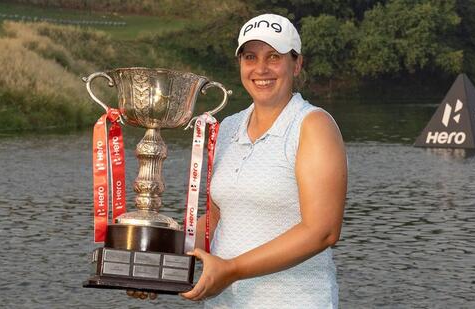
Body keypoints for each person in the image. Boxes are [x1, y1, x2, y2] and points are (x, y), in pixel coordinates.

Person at [128, 13, 347, 308]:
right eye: (250, 57)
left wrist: (231, 270)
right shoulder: (229, 127)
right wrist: (158, 267)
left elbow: (322, 231)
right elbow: (217, 221)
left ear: (297, 64)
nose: (261, 68)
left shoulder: (313, 125)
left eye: (274, 57)